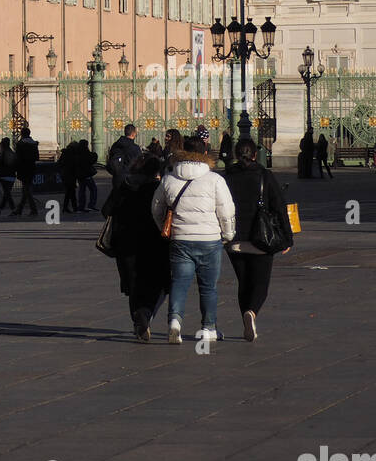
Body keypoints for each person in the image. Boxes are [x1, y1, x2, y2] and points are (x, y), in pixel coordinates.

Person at [151, 136, 235, 344]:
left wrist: (166, 227)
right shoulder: (215, 180)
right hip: (210, 239)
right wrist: (228, 234)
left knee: (179, 283)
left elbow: (156, 208)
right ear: (205, 154)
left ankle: (174, 323)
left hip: (180, 238)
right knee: (208, 287)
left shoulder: (169, 179)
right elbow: (226, 211)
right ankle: (208, 328)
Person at [223, 137, 292, 341]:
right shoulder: (264, 175)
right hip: (261, 238)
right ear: (255, 154)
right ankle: (251, 312)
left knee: (243, 282)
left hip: (234, 238)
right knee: (260, 284)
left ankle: (246, 313)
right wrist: (287, 238)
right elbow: (279, 207)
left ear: (236, 154)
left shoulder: (227, 176)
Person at [103, 155, 170, 341]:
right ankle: (145, 315)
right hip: (153, 243)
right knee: (156, 283)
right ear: (156, 171)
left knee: (133, 284)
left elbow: (105, 210)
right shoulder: (158, 188)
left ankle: (138, 319)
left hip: (125, 242)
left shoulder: (124, 186)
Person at [13, 126, 40, 216]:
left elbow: (17, 158)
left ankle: (33, 209)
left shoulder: (20, 144)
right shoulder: (34, 144)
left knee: (27, 190)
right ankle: (19, 209)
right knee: (26, 189)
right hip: (31, 168)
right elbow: (37, 157)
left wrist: (16, 168)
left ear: (22, 134)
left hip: (23, 169)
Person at [108, 125, 141, 190]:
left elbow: (110, 158)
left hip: (116, 178)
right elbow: (139, 164)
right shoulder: (135, 148)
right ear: (133, 133)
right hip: (130, 179)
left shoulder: (115, 145)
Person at [0, 137, 17, 215]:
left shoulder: (1, 154)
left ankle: (13, 209)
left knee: (7, 193)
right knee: (7, 193)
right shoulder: (12, 153)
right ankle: (0, 208)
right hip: (12, 176)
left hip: (4, 176)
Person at [75, 139, 98, 211]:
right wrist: (95, 154)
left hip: (80, 175)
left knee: (82, 190)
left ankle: (81, 206)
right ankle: (91, 204)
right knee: (93, 189)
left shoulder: (77, 153)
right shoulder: (85, 152)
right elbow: (91, 159)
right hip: (86, 175)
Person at [57, 141, 78, 216]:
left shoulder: (65, 153)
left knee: (70, 192)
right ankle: (70, 207)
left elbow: (59, 163)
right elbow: (75, 165)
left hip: (65, 174)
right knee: (70, 192)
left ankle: (69, 207)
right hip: (70, 175)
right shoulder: (73, 154)